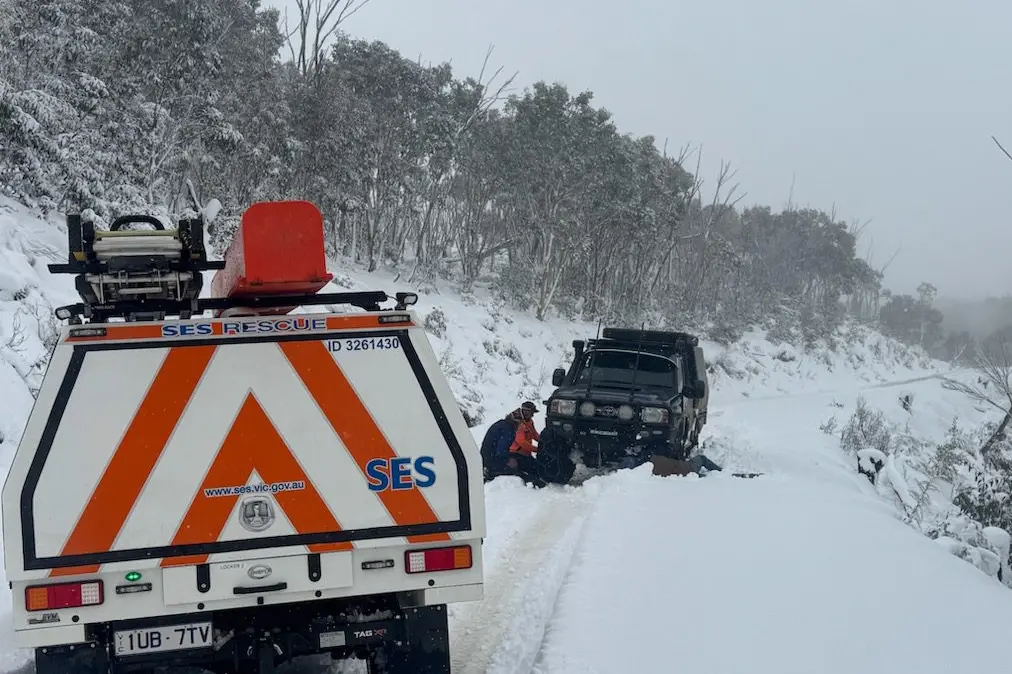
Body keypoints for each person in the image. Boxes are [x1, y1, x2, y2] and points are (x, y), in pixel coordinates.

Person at [480, 401, 545, 487]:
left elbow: (533, 433)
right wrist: (508, 461)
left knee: (529, 466)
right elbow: (501, 451)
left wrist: (542, 441)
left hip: (488, 458)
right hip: (493, 461)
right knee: (519, 472)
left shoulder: (503, 424)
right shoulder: (508, 430)